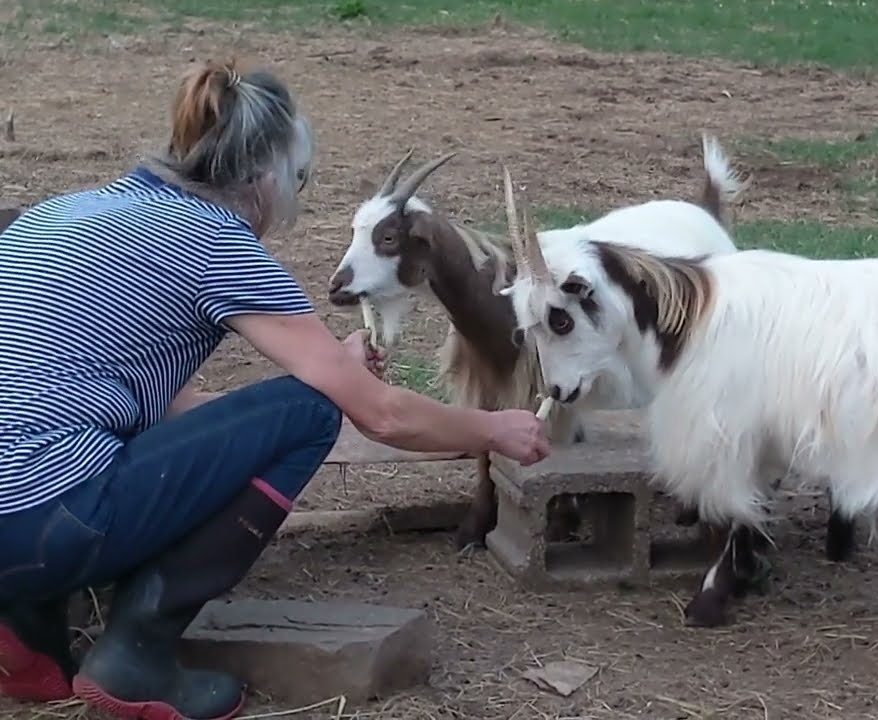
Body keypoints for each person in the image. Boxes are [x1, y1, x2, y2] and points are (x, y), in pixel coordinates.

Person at [0, 59, 551, 720]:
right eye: (299, 182)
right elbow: (376, 415)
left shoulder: (71, 212)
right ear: (264, 177)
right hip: (46, 518)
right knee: (314, 409)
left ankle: (26, 631)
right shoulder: (216, 241)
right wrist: (494, 429)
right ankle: (138, 653)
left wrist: (307, 379)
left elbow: (172, 421)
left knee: (64, 444)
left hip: (20, 519)